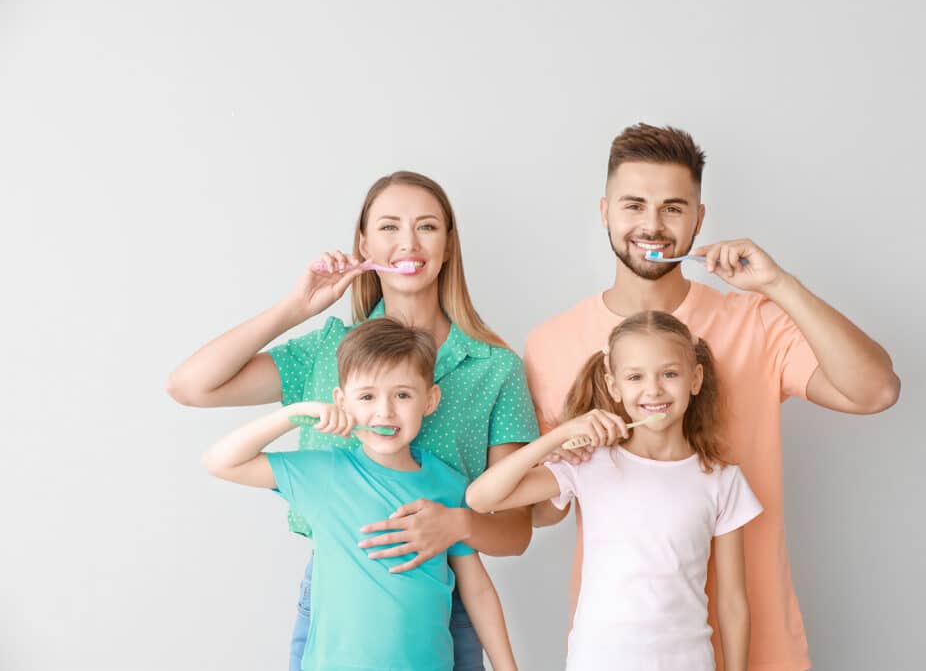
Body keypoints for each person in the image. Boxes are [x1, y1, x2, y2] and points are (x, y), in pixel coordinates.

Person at [524, 123, 900, 671]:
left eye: (674, 208)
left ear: (699, 219)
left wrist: (778, 285)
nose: (652, 224)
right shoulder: (551, 343)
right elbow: (542, 513)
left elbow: (877, 391)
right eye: (634, 205)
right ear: (605, 211)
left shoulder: (754, 322)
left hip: (762, 647)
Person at [167, 171, 539, 670]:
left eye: (427, 227)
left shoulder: (496, 369)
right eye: (389, 227)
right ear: (363, 244)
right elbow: (190, 386)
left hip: (445, 609)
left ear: (449, 245)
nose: (408, 241)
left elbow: (516, 533)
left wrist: (455, 524)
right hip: (338, 610)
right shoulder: (328, 351)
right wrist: (295, 307)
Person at [203, 318, 517, 671]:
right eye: (367, 396)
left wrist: (508, 667)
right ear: (342, 401)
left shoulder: (449, 485)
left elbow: (476, 589)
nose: (385, 411)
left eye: (402, 395)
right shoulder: (322, 473)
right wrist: (292, 415)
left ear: (429, 400)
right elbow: (221, 462)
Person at [468, 311, 760, 670]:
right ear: (613, 384)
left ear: (695, 379)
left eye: (669, 374)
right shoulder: (589, 464)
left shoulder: (721, 480)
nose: (653, 389)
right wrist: (559, 436)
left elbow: (733, 603)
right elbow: (481, 498)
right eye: (635, 377)